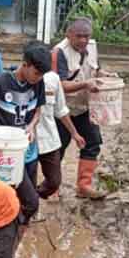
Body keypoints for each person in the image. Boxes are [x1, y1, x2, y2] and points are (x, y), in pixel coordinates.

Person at [0, 42, 48, 234]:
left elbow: (38, 111)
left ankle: (18, 233)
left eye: (41, 75)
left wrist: (31, 127)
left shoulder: (38, 84)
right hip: (5, 152)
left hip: (29, 150)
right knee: (26, 200)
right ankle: (7, 235)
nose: (38, 78)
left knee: (27, 201)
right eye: (36, 73)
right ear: (25, 64)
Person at [51, 18, 106, 200]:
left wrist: (104, 75)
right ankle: (52, 188)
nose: (83, 40)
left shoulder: (92, 47)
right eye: (79, 36)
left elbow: (96, 70)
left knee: (92, 142)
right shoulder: (59, 52)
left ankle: (84, 186)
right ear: (68, 34)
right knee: (57, 149)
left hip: (84, 107)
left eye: (86, 36)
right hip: (62, 110)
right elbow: (58, 84)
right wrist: (85, 84)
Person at [36, 69, 86, 201]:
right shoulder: (18, 81)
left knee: (54, 181)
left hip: (49, 139)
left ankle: (33, 196)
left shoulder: (52, 79)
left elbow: (61, 109)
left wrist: (75, 134)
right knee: (27, 177)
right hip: (27, 140)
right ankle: (29, 207)